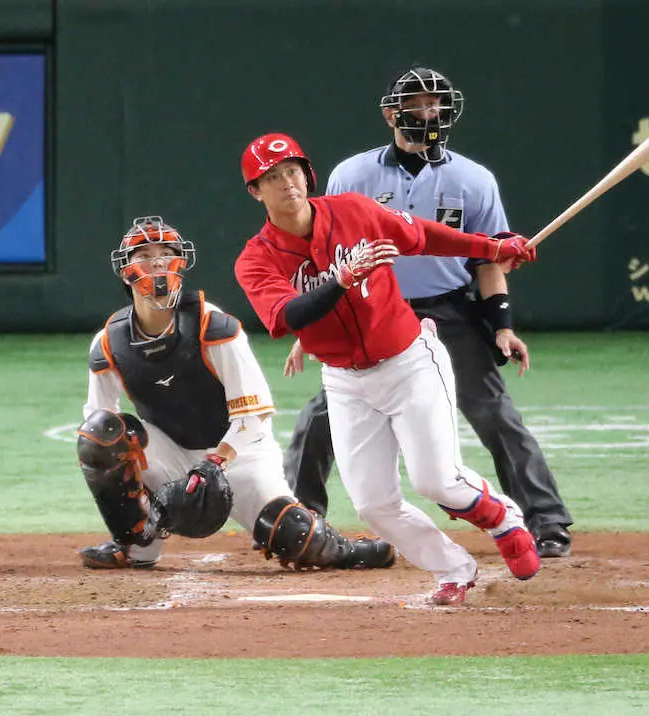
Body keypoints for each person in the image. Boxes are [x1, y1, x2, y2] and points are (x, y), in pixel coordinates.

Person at [235, 131, 542, 605]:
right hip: (345, 382)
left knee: (436, 480)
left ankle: (502, 517)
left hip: (409, 361)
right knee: (374, 505)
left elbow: (423, 235)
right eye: (272, 177)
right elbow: (288, 316)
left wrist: (492, 249)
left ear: (307, 175)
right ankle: (453, 570)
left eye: (292, 171)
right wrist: (341, 280)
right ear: (256, 191)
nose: (287, 183)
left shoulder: (354, 212)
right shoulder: (256, 258)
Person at [281, 65, 574, 559]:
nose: (427, 112)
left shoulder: (474, 180)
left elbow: (487, 262)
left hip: (449, 311)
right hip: (371, 310)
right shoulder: (351, 175)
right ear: (390, 114)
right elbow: (328, 257)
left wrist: (502, 326)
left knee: (494, 414)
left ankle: (547, 521)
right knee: (321, 417)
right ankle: (298, 520)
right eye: (415, 104)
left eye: (435, 103)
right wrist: (309, 326)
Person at [76, 216, 395, 572]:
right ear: (125, 271)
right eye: (145, 255)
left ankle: (345, 549)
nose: (157, 263)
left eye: (166, 253)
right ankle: (137, 545)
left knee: (295, 534)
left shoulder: (213, 326)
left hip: (238, 453)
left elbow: (253, 415)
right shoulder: (109, 342)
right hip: (170, 452)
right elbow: (98, 420)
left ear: (181, 262)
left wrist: (216, 463)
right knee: (99, 434)